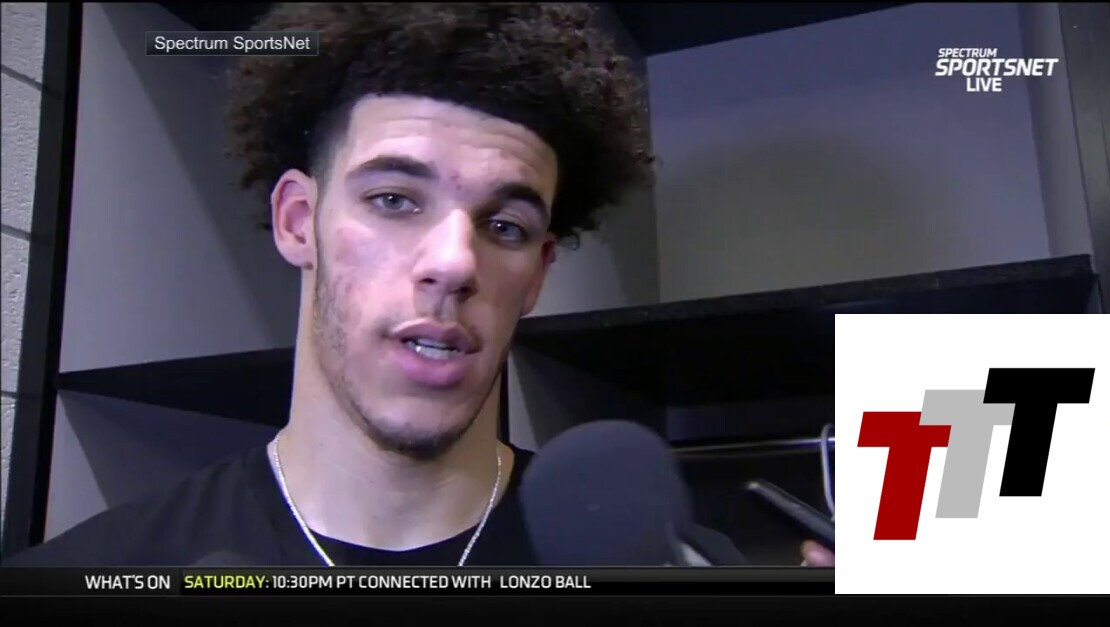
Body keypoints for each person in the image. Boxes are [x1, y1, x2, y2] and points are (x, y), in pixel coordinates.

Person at [4, 3, 834, 568]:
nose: (456, 263)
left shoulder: (671, 568)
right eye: (395, 200)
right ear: (298, 222)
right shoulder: (91, 574)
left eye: (504, 226)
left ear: (538, 274)